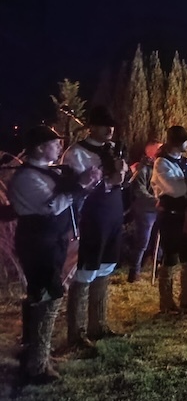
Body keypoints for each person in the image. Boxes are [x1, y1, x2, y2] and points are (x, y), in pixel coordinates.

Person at [9, 126, 100, 383]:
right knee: (48, 296)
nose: (60, 148)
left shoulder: (46, 172)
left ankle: (39, 354)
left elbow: (69, 199)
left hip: (53, 241)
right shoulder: (27, 178)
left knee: (45, 295)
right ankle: (36, 366)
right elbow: (53, 207)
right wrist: (79, 186)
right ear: (40, 147)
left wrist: (85, 184)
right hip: (38, 243)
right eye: (55, 143)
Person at [61, 106, 129, 349]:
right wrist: (106, 181)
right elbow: (76, 188)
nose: (109, 129)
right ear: (92, 127)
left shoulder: (112, 149)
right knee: (86, 270)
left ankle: (98, 325)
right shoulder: (76, 152)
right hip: (90, 215)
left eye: (111, 125)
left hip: (112, 212)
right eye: (103, 125)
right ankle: (76, 333)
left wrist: (122, 173)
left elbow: (123, 179)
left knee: (105, 267)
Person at [151, 125, 187, 313]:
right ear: (176, 143)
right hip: (170, 217)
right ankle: (166, 303)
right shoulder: (161, 163)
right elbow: (174, 190)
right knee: (171, 257)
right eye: (186, 140)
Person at [126, 139, 161, 282]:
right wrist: (156, 201)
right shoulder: (143, 168)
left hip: (160, 209)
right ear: (151, 152)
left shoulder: (162, 167)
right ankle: (134, 272)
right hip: (145, 210)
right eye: (159, 148)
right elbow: (139, 190)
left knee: (161, 240)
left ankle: (157, 268)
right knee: (143, 241)